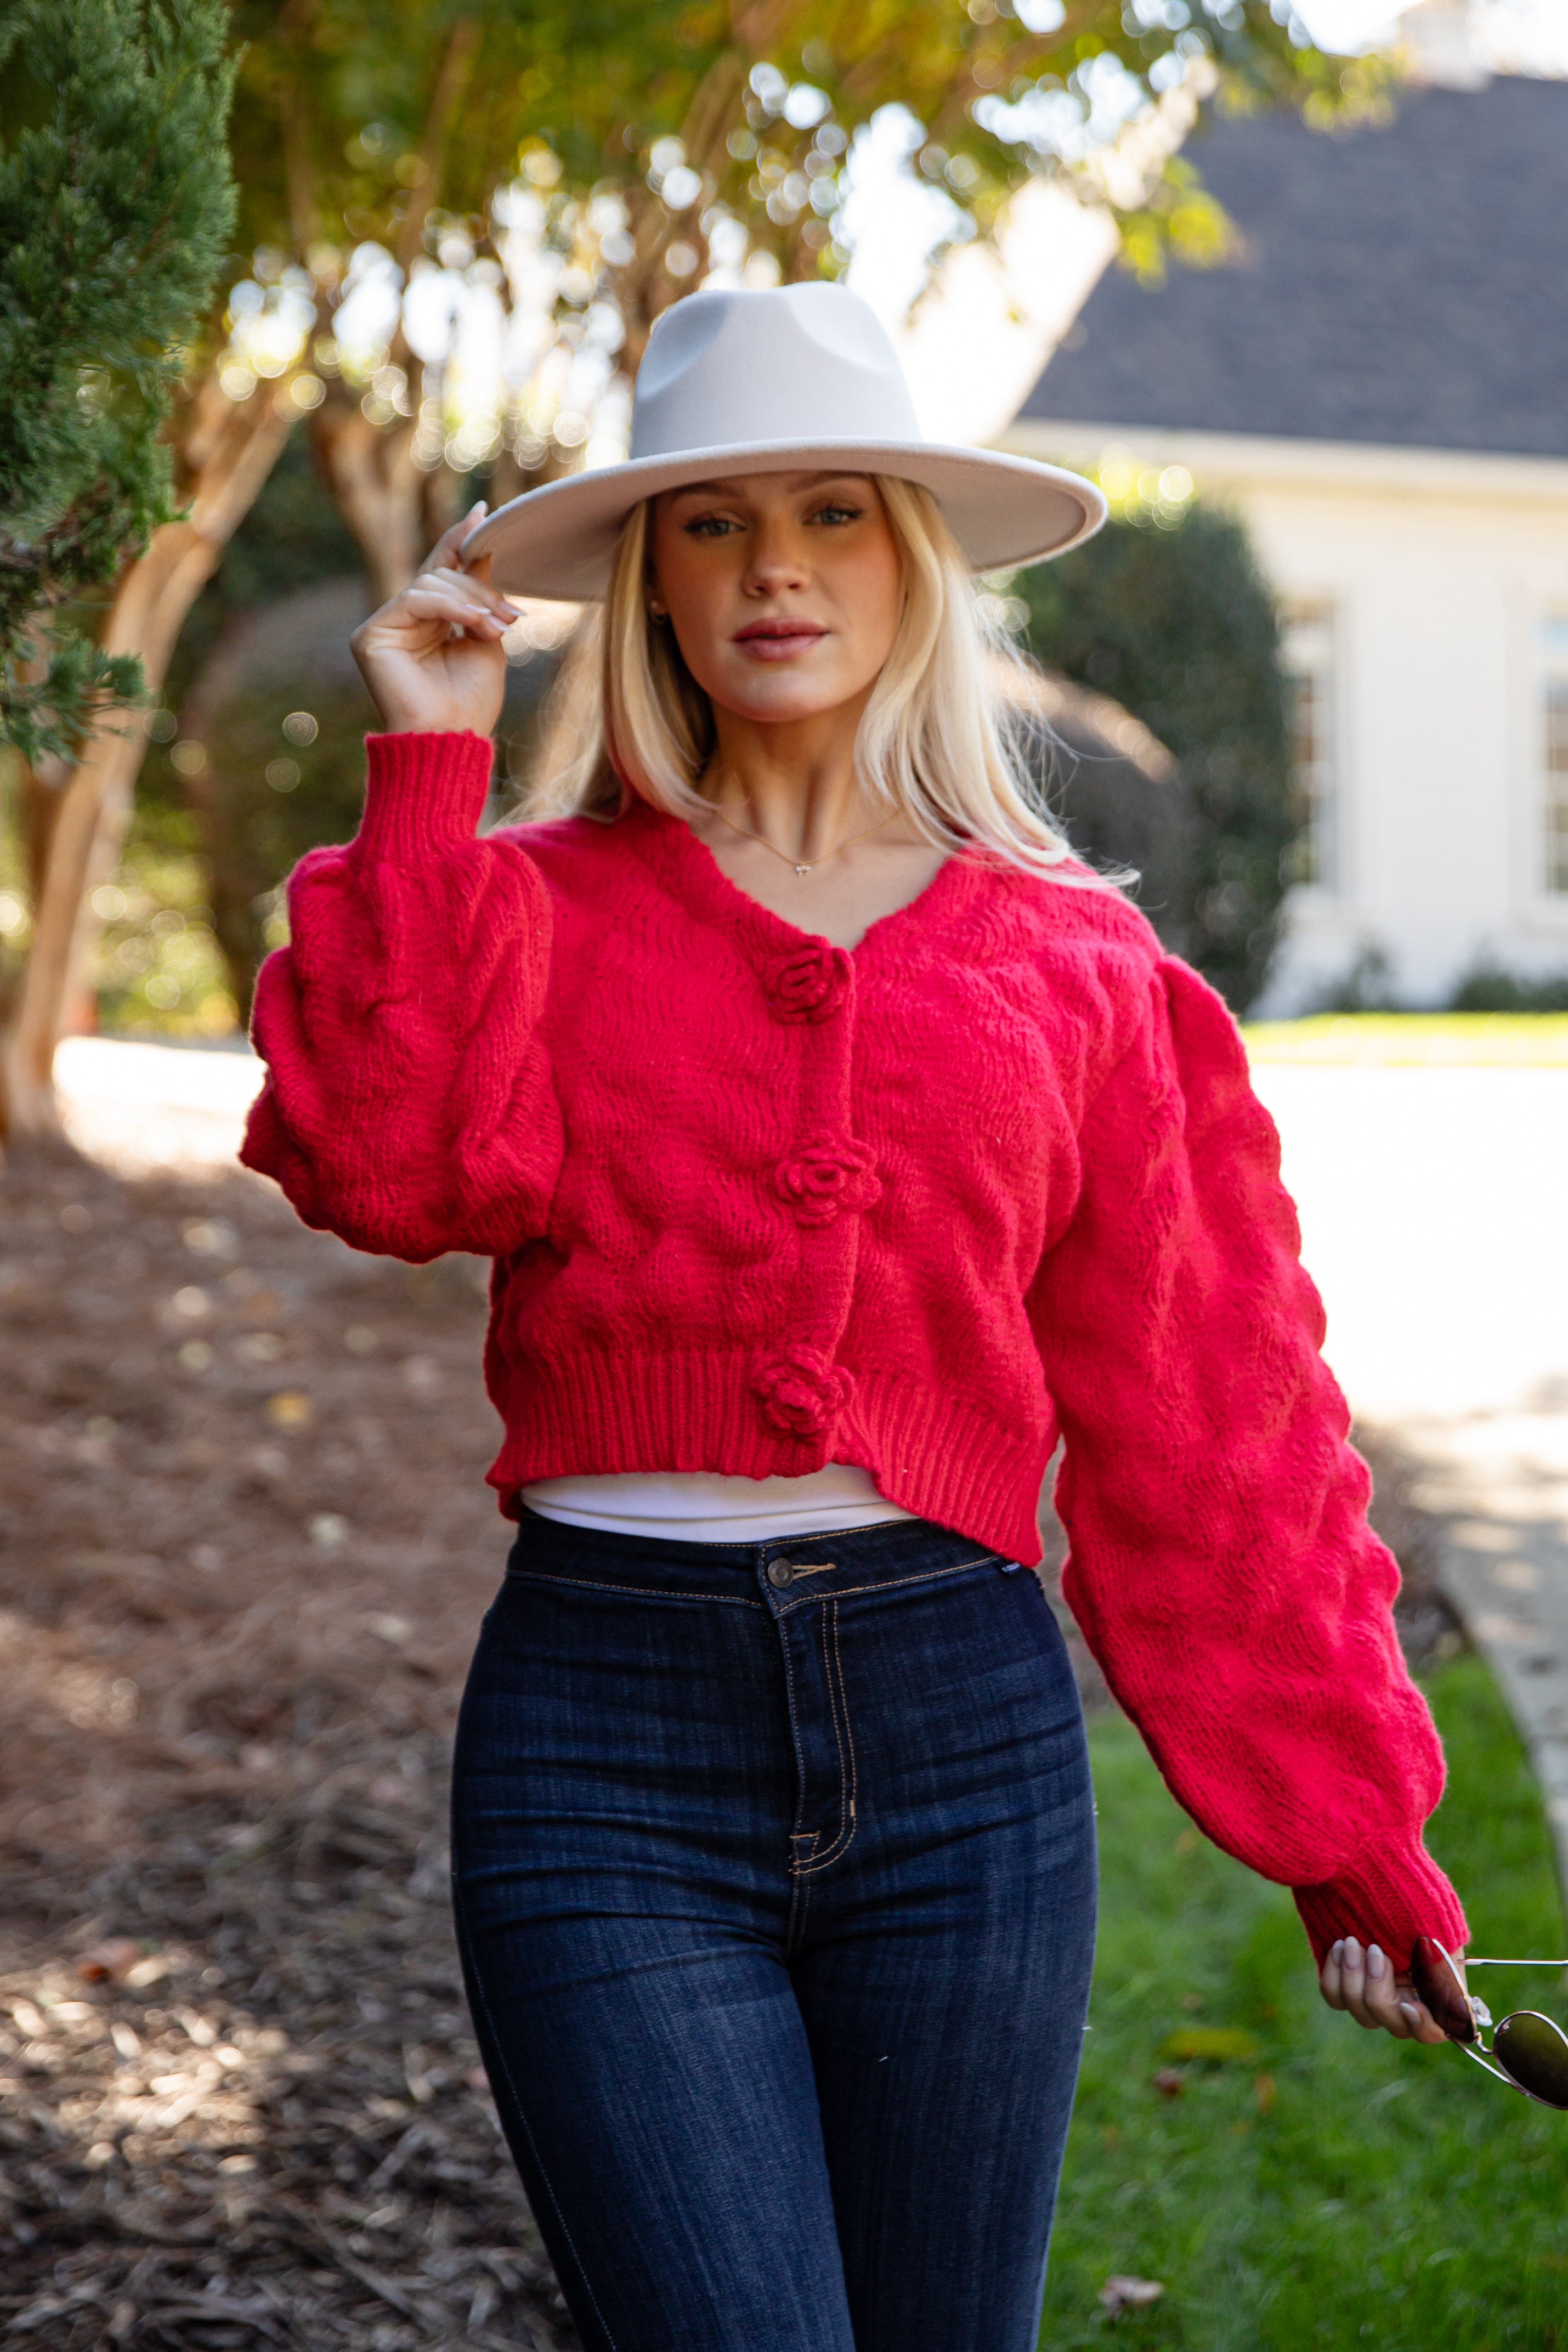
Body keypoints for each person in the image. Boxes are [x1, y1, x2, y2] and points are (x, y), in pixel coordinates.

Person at [240, 283, 1467, 2352]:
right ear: (650, 580)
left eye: (831, 513)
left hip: (960, 1745)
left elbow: (1214, 1428)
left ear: (913, 564)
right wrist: (429, 768)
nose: (774, 568)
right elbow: (388, 1172)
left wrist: (1347, 1826)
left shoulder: (1082, 973)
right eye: (711, 524)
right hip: (603, 1743)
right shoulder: (521, 906)